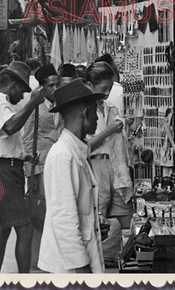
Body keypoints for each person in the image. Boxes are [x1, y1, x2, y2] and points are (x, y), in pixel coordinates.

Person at [38, 78, 108, 273]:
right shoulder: (63, 155)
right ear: (85, 113)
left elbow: (78, 208)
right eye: (95, 112)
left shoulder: (75, 150)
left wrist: (94, 223)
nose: (97, 119)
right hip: (69, 266)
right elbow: (63, 218)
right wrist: (80, 266)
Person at [0, 61, 45, 273]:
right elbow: (9, 127)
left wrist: (23, 156)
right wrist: (32, 104)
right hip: (4, 174)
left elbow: (5, 143)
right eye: (22, 90)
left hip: (7, 169)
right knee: (25, 229)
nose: (22, 96)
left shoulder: (3, 104)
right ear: (12, 85)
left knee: (2, 230)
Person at [85, 61, 134, 267]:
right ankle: (94, 266)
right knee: (97, 220)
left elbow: (119, 144)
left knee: (127, 217)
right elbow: (83, 148)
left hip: (116, 166)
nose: (106, 94)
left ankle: (127, 261)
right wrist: (109, 131)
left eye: (109, 89)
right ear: (89, 85)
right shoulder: (83, 112)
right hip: (95, 168)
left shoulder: (112, 108)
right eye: (103, 89)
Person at [22, 63, 62, 269]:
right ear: (42, 88)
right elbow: (27, 138)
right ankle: (35, 259)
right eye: (51, 86)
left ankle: (53, 257)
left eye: (57, 84)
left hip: (59, 164)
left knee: (56, 212)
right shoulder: (35, 106)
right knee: (39, 214)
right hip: (42, 164)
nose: (55, 89)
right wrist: (31, 170)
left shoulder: (62, 104)